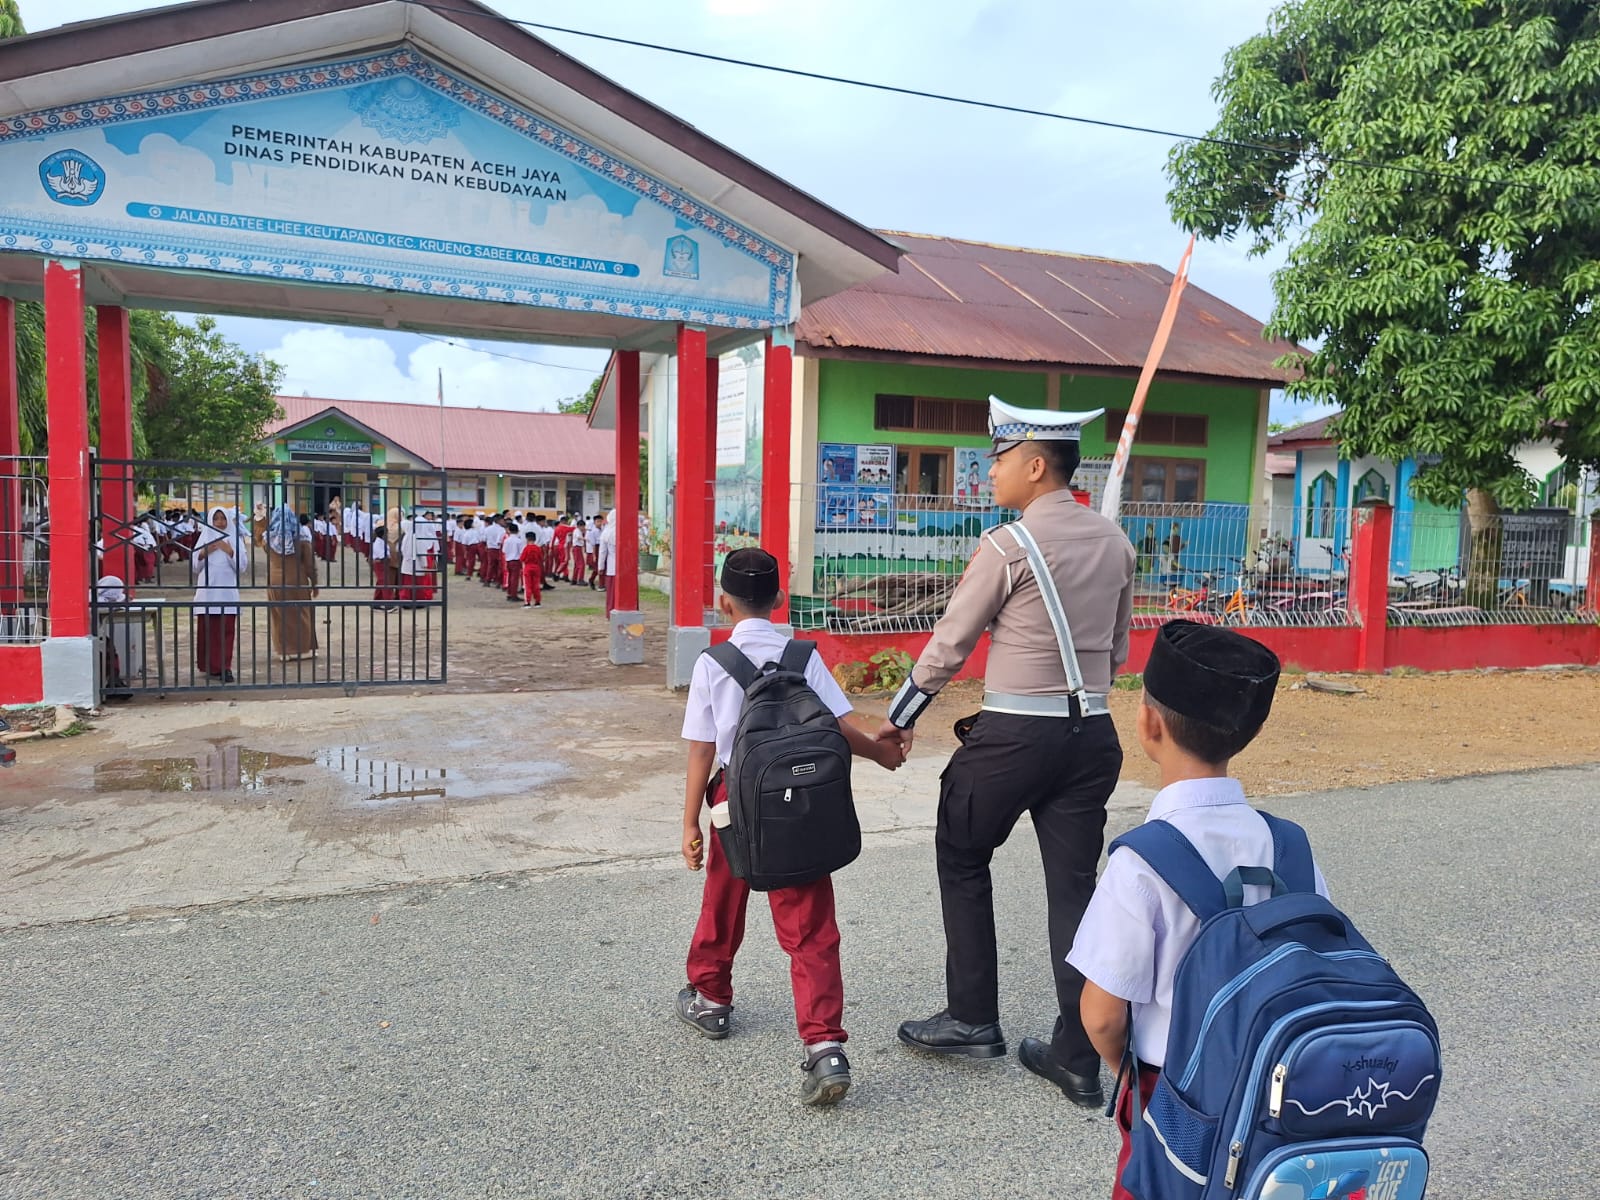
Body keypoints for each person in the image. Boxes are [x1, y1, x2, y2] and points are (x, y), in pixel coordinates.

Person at [883, 396, 1135, 1108]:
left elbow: (950, 645)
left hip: (1013, 735)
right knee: (1075, 888)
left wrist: (901, 718)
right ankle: (1077, 1055)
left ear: (1033, 464)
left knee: (962, 855)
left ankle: (971, 1018)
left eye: (996, 460)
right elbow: (1116, 649)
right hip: (1092, 734)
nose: (988, 471)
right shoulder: (1116, 543)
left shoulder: (1006, 546)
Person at [1067, 621, 1327, 1200]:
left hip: (1174, 1092)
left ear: (1148, 723)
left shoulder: (1141, 862)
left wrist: (1134, 1084)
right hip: (1281, 1093)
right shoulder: (1291, 847)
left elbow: (1103, 1016)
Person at [675, 548, 905, 1106]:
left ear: (723, 601)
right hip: (800, 798)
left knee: (724, 897)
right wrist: (881, 754)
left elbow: (702, 753)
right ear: (780, 599)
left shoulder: (713, 663)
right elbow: (841, 725)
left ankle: (711, 997)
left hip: (736, 799)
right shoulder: (804, 655)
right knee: (810, 924)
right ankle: (825, 1046)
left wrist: (690, 823)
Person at [191, 505, 248, 682]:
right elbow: (195, 567)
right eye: (216, 519)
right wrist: (204, 553)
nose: (220, 522)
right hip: (207, 592)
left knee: (226, 631)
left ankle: (224, 666)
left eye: (223, 519)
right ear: (210, 520)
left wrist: (229, 550)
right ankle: (209, 665)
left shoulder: (234, 539)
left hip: (226, 593)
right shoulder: (204, 537)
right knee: (208, 631)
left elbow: (242, 566)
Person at [259, 504, 319, 661]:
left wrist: (260, 518)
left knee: (279, 615)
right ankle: (304, 649)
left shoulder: (269, 539)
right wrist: (315, 583)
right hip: (297, 580)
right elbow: (310, 565)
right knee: (302, 613)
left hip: (275, 581)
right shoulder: (301, 538)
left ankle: (283, 651)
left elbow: (258, 538)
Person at [371, 523, 396, 610]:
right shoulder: (378, 543)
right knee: (385, 583)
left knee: (380, 583)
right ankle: (388, 603)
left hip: (384, 563)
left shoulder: (381, 542)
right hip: (380, 563)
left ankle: (376, 602)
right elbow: (382, 556)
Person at [598, 507, 618, 616]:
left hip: (611, 567)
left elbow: (602, 552)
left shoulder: (606, 533)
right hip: (625, 568)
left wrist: (600, 567)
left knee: (612, 593)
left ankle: (610, 612)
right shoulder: (624, 531)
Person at [501, 521, 525, 603]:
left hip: (508, 560)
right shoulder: (519, 541)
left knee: (510, 578)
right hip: (516, 560)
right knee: (514, 579)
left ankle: (509, 593)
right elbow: (521, 552)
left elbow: (504, 551)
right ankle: (514, 595)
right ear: (517, 531)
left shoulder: (507, 540)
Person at [519, 526, 543, 608]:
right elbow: (541, 558)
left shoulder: (526, 548)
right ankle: (537, 601)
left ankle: (527, 602)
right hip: (536, 567)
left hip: (528, 567)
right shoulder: (538, 548)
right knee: (536, 585)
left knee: (527, 585)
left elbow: (522, 558)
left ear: (527, 539)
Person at [568, 519, 588, 584]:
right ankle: (580, 579)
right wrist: (586, 539)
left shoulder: (578, 530)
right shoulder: (577, 531)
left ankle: (574, 579)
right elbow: (579, 537)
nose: (584, 528)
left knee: (577, 565)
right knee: (582, 564)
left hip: (577, 548)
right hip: (577, 548)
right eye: (583, 526)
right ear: (579, 526)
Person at [585, 514, 603, 589]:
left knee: (602, 567)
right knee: (597, 568)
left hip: (603, 548)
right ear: (594, 522)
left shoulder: (603, 530)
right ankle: (591, 580)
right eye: (597, 521)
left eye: (600, 521)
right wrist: (594, 555)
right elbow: (593, 545)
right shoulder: (593, 532)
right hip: (597, 548)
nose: (599, 523)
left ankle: (601, 583)